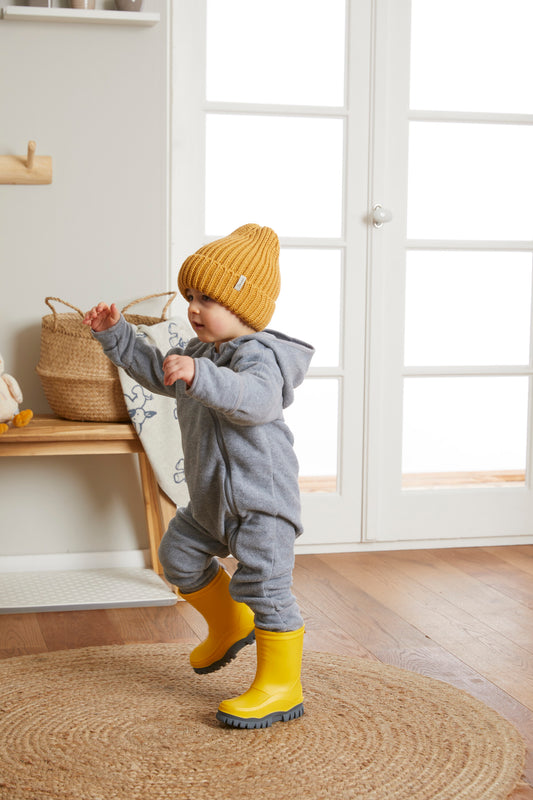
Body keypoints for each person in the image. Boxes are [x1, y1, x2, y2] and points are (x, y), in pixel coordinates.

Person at [83, 223, 314, 729]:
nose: (193, 307)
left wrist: (200, 375)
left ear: (243, 305)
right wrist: (117, 336)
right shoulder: (199, 352)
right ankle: (230, 622)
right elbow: (159, 371)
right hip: (211, 502)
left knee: (267, 590)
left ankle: (282, 686)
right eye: (190, 296)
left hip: (261, 505)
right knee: (177, 556)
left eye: (207, 298)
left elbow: (255, 400)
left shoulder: (261, 357)